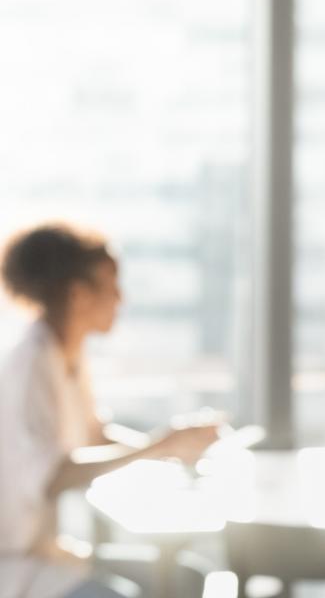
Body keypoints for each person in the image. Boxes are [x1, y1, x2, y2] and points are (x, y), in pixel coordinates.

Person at [0, 224, 220, 598]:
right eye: (111, 284)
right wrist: (157, 446)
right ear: (77, 293)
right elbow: (53, 474)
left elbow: (95, 437)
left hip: (50, 554)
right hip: (17, 564)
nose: (121, 297)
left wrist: (172, 447)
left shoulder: (65, 354)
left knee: (188, 578)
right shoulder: (31, 364)